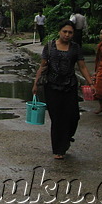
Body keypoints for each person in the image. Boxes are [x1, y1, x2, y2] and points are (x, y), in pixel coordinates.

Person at [32, 20, 94, 160]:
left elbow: (82, 67)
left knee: (73, 116)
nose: (67, 35)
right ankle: (58, 149)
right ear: (59, 32)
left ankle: (67, 138)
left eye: (70, 32)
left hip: (70, 86)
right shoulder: (49, 47)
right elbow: (42, 66)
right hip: (52, 87)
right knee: (57, 119)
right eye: (64, 32)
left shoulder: (75, 48)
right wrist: (36, 84)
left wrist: (90, 83)